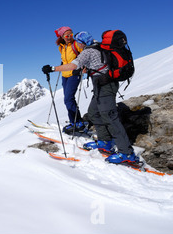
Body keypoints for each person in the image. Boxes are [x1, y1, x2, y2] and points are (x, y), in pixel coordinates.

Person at [42, 31, 139, 165]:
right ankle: (104, 142)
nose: (78, 46)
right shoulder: (98, 47)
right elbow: (99, 65)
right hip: (102, 86)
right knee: (93, 113)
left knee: (110, 118)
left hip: (105, 87)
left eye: (78, 43)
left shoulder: (87, 51)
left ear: (81, 43)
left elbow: (71, 65)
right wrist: (84, 70)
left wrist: (52, 69)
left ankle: (127, 153)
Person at [54, 26, 85, 134]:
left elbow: (85, 55)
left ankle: (78, 122)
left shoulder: (77, 44)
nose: (69, 37)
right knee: (67, 100)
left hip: (74, 74)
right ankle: (74, 122)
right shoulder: (61, 47)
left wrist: (82, 67)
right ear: (62, 36)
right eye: (67, 35)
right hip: (65, 75)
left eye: (71, 34)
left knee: (68, 98)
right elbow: (65, 59)